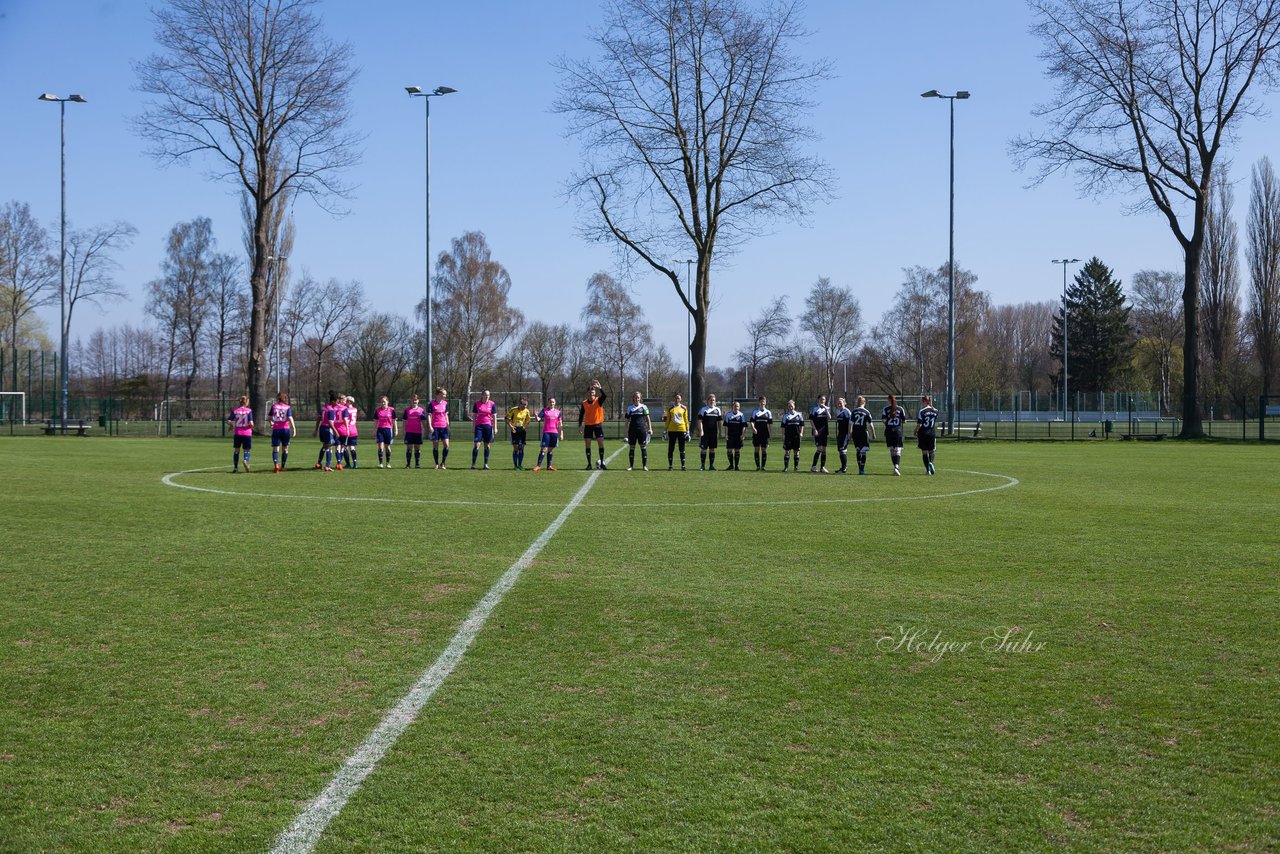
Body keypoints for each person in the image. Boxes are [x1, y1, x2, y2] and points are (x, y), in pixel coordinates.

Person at [577, 380, 608, 470]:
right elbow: (581, 414)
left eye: (593, 392)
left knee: (601, 443)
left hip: (598, 425)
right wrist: (580, 425)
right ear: (588, 393)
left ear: (595, 393)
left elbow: (605, 396)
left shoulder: (599, 400)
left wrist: (600, 388)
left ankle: (602, 463)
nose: (592, 394)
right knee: (587, 444)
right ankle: (589, 464)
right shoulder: (584, 403)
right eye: (590, 392)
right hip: (588, 426)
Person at [532, 396, 564, 471]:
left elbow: (560, 424)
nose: (551, 403)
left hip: (554, 433)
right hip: (546, 432)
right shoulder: (544, 410)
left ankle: (549, 466)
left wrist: (561, 434)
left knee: (550, 449)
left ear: (555, 403)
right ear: (548, 403)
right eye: (550, 402)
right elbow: (538, 419)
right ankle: (538, 466)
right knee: (543, 449)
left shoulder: (558, 412)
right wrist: (536, 416)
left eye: (553, 402)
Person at [624, 391, 653, 471]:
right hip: (632, 430)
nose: (637, 399)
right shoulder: (630, 408)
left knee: (643, 447)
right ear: (633, 398)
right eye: (635, 397)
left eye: (638, 397)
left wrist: (650, 428)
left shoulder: (644, 407)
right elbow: (626, 421)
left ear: (640, 398)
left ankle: (644, 466)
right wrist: (625, 434)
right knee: (632, 448)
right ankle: (631, 466)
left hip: (642, 430)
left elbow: (648, 418)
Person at [268, 392, 296, 473]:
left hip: (276, 429)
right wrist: (294, 428)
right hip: (285, 429)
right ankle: (283, 466)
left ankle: (276, 464)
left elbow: (269, 417)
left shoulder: (274, 406)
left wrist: (271, 423)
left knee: (275, 448)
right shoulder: (287, 407)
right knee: (285, 448)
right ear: (285, 398)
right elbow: (290, 417)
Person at [663, 392, 691, 470]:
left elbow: (686, 420)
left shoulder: (684, 408)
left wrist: (688, 431)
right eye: (676, 398)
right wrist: (665, 431)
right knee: (671, 448)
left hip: (682, 430)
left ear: (681, 399)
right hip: (672, 430)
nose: (677, 399)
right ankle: (670, 466)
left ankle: (683, 466)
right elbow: (668, 420)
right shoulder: (670, 408)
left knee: (682, 448)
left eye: (678, 398)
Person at [471, 389, 497, 470]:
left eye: (488, 395)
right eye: (485, 395)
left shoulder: (492, 404)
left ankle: (485, 464)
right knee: (476, 445)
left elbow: (494, 416)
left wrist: (495, 427)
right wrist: (473, 426)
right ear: (482, 395)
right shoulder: (477, 404)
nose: (487, 396)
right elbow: (474, 416)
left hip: (488, 426)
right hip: (479, 426)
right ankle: (473, 464)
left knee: (487, 445)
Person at [314, 391, 340, 471]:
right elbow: (330, 422)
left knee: (325, 445)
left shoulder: (324, 408)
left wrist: (316, 429)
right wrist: (335, 431)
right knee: (330, 446)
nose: (337, 403)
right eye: (337, 401)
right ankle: (327, 466)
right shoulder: (331, 410)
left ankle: (319, 463)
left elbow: (318, 419)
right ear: (333, 401)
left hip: (322, 428)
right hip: (327, 429)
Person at [850, 395, 876, 475]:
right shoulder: (866, 412)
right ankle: (862, 469)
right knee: (863, 451)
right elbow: (871, 424)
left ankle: (859, 468)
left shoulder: (854, 411)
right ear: (864, 402)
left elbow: (850, 424)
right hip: (863, 433)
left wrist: (850, 433)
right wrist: (873, 433)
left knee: (858, 450)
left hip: (855, 432)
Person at [882, 393, 907, 476]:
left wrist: (888, 424)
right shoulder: (900, 409)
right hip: (898, 431)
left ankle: (895, 467)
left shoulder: (885, 409)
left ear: (889, 400)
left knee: (892, 450)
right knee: (898, 450)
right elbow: (904, 420)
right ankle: (896, 466)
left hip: (889, 431)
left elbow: (884, 420)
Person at [227, 395, 254, 472]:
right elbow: (251, 423)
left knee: (236, 450)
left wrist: (231, 426)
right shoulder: (249, 411)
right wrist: (251, 426)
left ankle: (235, 468)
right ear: (246, 402)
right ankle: (245, 460)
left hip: (237, 433)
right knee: (247, 450)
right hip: (246, 433)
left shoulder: (235, 410)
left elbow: (228, 421)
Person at [915, 394, 939, 475]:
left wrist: (915, 431)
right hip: (932, 433)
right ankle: (931, 462)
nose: (921, 403)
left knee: (924, 452)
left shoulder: (922, 411)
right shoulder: (936, 411)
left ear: (924, 401)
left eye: (922, 401)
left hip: (923, 434)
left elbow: (919, 424)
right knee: (932, 451)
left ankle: (928, 470)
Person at [697, 394, 723, 471]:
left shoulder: (717, 410)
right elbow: (700, 421)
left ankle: (711, 465)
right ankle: (702, 465)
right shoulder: (703, 409)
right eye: (711, 400)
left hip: (713, 433)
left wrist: (720, 431)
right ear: (707, 401)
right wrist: (701, 431)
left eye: (713, 400)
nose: (712, 401)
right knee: (703, 449)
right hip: (705, 433)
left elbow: (719, 422)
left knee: (712, 449)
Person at [428, 387, 451, 469]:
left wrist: (448, 424)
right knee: (435, 446)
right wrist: (430, 426)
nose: (445, 395)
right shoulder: (432, 403)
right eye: (444, 394)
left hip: (444, 427)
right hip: (435, 427)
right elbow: (429, 415)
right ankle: (436, 463)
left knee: (446, 445)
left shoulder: (445, 403)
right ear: (439, 394)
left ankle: (443, 463)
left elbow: (446, 415)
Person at [507, 396, 532, 469]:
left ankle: (520, 465)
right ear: (519, 404)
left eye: (525, 405)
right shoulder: (513, 410)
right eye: (523, 404)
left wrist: (525, 426)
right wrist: (511, 426)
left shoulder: (527, 411)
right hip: (514, 429)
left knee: (521, 448)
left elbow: (528, 420)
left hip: (522, 430)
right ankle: (515, 465)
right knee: (516, 448)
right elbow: (507, 418)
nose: (524, 406)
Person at [808, 394, 832, 473]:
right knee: (819, 449)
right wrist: (814, 429)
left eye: (824, 399)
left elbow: (829, 418)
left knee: (824, 450)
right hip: (817, 432)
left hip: (824, 432)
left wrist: (826, 409)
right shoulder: (814, 409)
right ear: (818, 400)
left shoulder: (827, 408)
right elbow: (811, 420)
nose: (822, 401)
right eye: (821, 399)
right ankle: (813, 466)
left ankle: (822, 467)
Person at [781, 399, 805, 472]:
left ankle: (796, 468)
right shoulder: (785, 416)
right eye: (789, 406)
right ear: (788, 407)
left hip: (796, 436)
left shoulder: (799, 415)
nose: (790, 407)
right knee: (787, 451)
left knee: (796, 451)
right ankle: (786, 468)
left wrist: (801, 433)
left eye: (791, 406)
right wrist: (783, 435)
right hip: (788, 436)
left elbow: (802, 425)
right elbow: (783, 426)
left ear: (794, 406)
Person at [749, 395, 773, 470]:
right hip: (756, 433)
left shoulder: (768, 412)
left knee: (764, 449)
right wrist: (753, 428)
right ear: (759, 402)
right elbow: (752, 422)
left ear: (765, 403)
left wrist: (770, 433)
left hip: (765, 434)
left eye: (764, 401)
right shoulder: (755, 411)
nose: (762, 403)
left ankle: (763, 466)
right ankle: (757, 466)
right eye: (761, 401)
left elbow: (770, 424)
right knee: (756, 449)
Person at [723, 400, 748, 471]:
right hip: (730, 435)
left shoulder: (741, 415)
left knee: (737, 450)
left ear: (739, 407)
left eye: (737, 406)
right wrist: (726, 435)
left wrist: (743, 435)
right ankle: (731, 465)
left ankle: (736, 466)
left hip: (738, 436)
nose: (736, 407)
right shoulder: (728, 415)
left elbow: (744, 426)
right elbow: (726, 426)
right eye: (735, 406)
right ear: (732, 407)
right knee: (729, 450)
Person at [403, 394, 425, 468]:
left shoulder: (421, 410)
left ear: (418, 401)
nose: (414, 401)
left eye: (415, 400)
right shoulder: (407, 410)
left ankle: (417, 464)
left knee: (417, 448)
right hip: (409, 431)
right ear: (411, 401)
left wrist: (424, 430)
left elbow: (423, 421)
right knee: (409, 447)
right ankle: (408, 464)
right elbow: (404, 421)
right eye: (413, 400)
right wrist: (404, 430)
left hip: (418, 431)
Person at [375, 396, 397, 468]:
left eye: (384, 401)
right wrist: (374, 429)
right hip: (380, 430)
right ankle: (381, 463)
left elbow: (394, 421)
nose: (383, 403)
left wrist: (396, 429)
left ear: (388, 402)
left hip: (388, 429)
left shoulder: (391, 410)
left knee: (387, 446)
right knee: (380, 446)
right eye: (382, 401)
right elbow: (376, 421)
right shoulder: (378, 410)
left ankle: (388, 463)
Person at [832, 397, 853, 473]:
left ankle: (844, 468)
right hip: (840, 434)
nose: (839, 404)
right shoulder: (838, 411)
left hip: (845, 434)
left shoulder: (847, 412)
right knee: (840, 451)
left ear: (845, 403)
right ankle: (843, 467)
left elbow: (850, 423)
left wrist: (849, 433)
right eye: (838, 403)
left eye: (841, 402)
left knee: (842, 450)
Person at [332, 394, 350, 470]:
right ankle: (339, 463)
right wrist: (347, 428)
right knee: (342, 448)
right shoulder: (344, 408)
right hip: (342, 430)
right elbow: (345, 419)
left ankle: (338, 463)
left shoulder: (333, 408)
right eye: (345, 400)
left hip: (335, 430)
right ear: (341, 400)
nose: (345, 402)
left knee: (337, 448)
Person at [342, 395, 360, 469]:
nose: (345, 402)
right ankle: (355, 463)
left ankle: (348, 464)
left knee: (344, 448)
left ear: (349, 402)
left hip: (347, 430)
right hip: (354, 430)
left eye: (346, 401)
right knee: (352, 447)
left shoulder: (345, 410)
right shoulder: (355, 409)